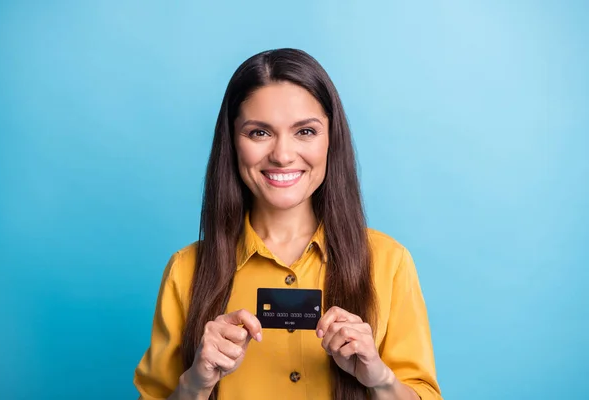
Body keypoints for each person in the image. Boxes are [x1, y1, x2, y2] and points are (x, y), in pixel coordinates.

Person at [134, 48, 442, 400]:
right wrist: (196, 382)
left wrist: (380, 378)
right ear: (232, 143)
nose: (282, 155)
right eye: (259, 133)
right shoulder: (185, 270)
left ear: (331, 139)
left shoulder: (390, 263)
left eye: (305, 132)